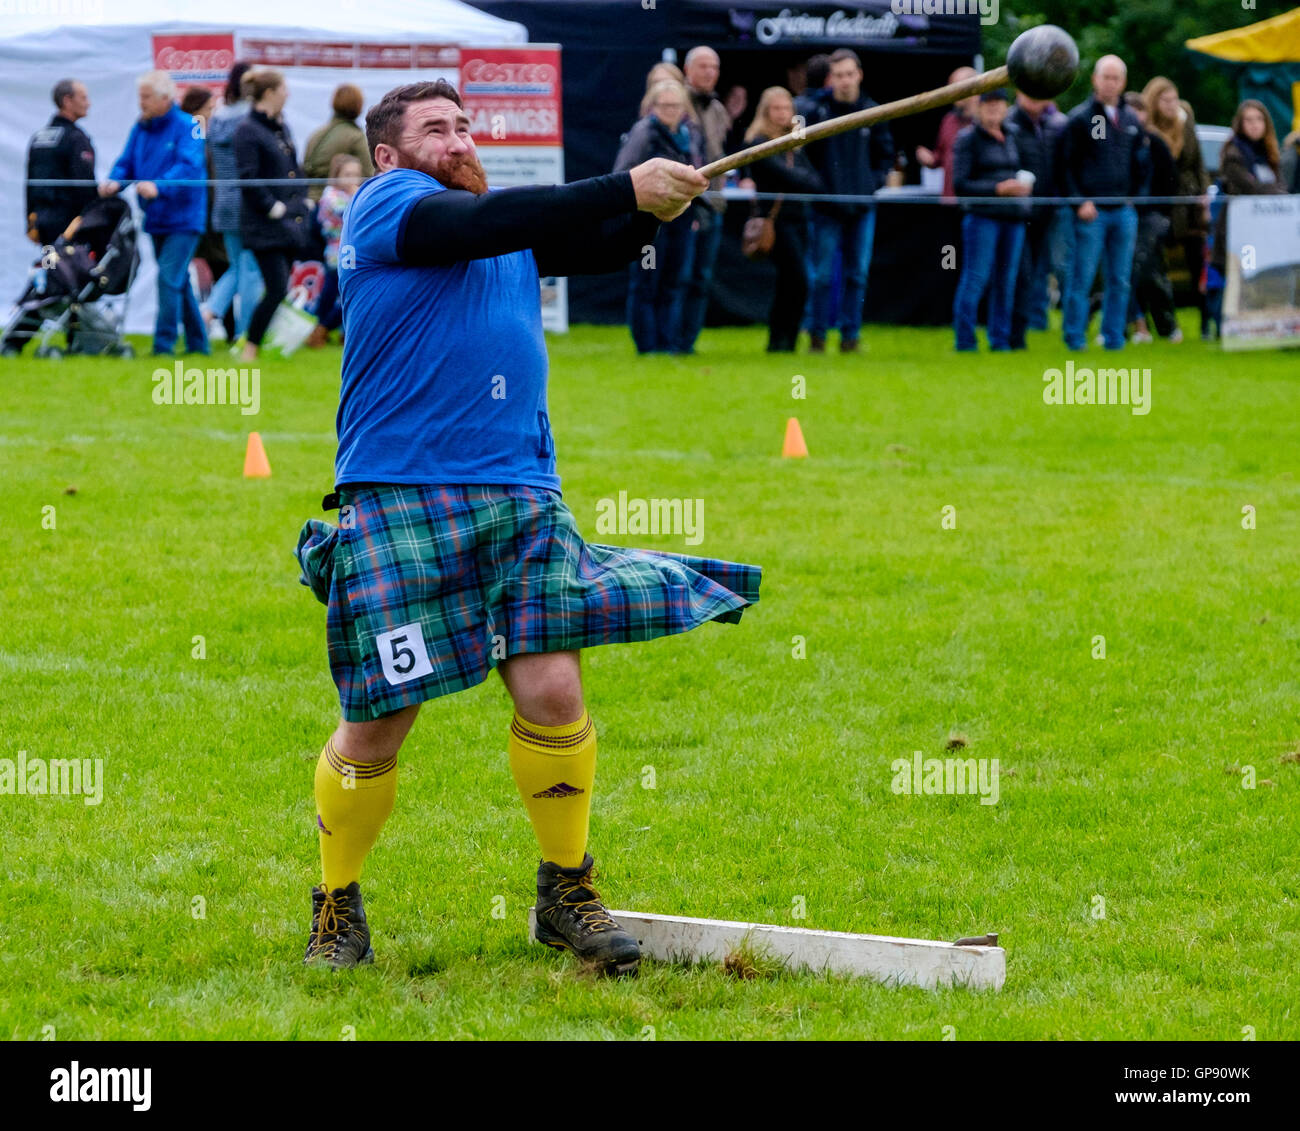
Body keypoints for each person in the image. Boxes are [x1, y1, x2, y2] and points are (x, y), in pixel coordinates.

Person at [290, 79, 761, 976]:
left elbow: (602, 241)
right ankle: (336, 900)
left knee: (552, 693)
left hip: (520, 490)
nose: (458, 135)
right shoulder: (389, 206)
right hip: (403, 492)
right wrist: (628, 186)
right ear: (387, 153)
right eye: (436, 127)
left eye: (466, 124)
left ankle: (563, 890)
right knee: (380, 720)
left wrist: (660, 206)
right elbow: (478, 226)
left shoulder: (495, 227)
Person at [101, 71, 209, 357]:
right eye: (140, 97)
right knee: (178, 281)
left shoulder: (190, 126)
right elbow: (126, 163)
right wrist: (115, 181)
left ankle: (163, 347)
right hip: (156, 218)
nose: (141, 103)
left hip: (185, 218)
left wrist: (158, 186)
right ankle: (199, 345)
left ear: (166, 98)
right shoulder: (141, 128)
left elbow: (190, 167)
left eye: (146, 97)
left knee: (168, 278)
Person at [803, 49, 894, 353]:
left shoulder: (872, 112)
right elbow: (804, 158)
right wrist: (819, 187)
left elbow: (886, 157)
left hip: (862, 207)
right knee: (822, 276)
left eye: (849, 74)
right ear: (831, 78)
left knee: (858, 274)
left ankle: (850, 337)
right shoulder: (815, 112)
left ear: (859, 74)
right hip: (825, 208)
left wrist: (871, 184)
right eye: (838, 75)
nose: (844, 81)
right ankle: (817, 336)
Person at [1059, 55, 1148, 351]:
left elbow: (1141, 164)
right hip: (1090, 212)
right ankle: (1075, 337)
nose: (1110, 83)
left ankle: (1113, 338)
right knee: (1082, 278)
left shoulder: (1132, 120)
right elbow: (1066, 167)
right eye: (1105, 77)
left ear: (1123, 83)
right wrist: (1078, 202)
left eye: (1116, 78)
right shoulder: (1080, 118)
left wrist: (1135, 198)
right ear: (1095, 79)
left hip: (1123, 210)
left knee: (1120, 280)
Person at [613, 79, 702, 354]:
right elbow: (622, 170)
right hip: (649, 219)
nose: (671, 110)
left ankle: (668, 342)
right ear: (653, 106)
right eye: (665, 105)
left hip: (682, 217)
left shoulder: (690, 134)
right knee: (647, 279)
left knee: (674, 280)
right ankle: (647, 344)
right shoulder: (644, 132)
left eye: (676, 105)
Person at [232, 70, 311, 362]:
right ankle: (250, 348)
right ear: (269, 93)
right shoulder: (247, 130)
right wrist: (270, 206)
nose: (287, 94)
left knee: (280, 287)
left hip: (291, 221)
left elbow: (293, 167)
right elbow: (247, 177)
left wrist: (303, 202)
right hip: (264, 224)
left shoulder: (281, 127)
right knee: (276, 287)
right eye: (284, 88)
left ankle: (262, 344)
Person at [742, 87, 824, 352]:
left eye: (786, 108)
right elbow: (784, 176)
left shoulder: (795, 143)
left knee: (792, 282)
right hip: (775, 221)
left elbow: (814, 181)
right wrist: (799, 179)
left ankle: (784, 341)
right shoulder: (758, 142)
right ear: (765, 111)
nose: (781, 114)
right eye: (776, 109)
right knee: (798, 279)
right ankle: (780, 339)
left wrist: (799, 179)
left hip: (799, 219)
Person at [951, 89, 1031, 351]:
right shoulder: (968, 139)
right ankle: (965, 340)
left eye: (999, 104)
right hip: (982, 217)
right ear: (978, 107)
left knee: (1006, 281)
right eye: (988, 104)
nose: (994, 109)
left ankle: (1000, 340)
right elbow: (960, 184)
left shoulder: (1012, 135)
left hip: (1013, 217)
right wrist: (997, 188)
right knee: (976, 278)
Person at [1142, 78, 1210, 338]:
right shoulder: (1146, 130)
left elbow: (1199, 165)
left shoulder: (1186, 123)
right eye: (1166, 100)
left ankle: (1206, 323)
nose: (1172, 105)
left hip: (1189, 205)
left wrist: (1203, 196)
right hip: (1158, 205)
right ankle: (1157, 323)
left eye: (1174, 99)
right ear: (1155, 101)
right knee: (1151, 266)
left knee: (1198, 264)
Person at [675, 46, 730, 355]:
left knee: (702, 277)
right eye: (703, 66)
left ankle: (687, 342)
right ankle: (668, 340)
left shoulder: (718, 109)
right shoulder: (676, 103)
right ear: (688, 70)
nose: (710, 72)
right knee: (679, 275)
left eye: (714, 67)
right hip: (685, 204)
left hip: (714, 203)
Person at [206, 62, 263, 343]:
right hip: (247, 202)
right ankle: (245, 333)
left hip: (223, 201)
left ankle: (209, 311)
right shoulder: (250, 119)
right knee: (250, 268)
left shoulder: (216, 117)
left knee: (237, 266)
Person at [1007, 90, 1067, 347]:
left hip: (1050, 206)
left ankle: (1039, 318)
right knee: (1023, 268)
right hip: (1019, 208)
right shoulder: (1009, 122)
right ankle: (1025, 319)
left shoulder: (1056, 123)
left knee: (1048, 265)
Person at [1210, 101, 1286, 286]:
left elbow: (1279, 186)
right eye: (1249, 120)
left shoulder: (1270, 154)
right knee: (1244, 282)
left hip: (1267, 229)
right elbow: (1252, 188)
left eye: (1259, 119)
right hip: (1242, 230)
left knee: (1267, 282)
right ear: (1240, 124)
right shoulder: (1233, 153)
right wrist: (1276, 191)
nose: (1255, 124)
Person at [1124, 92, 1179, 343]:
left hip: (1151, 216)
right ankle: (1134, 326)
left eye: (1140, 111)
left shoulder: (1155, 143)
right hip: (1123, 213)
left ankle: (1166, 325)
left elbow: (1170, 180)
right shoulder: (1115, 141)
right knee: (1125, 272)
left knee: (1148, 271)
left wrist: (1162, 215)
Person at [25, 79, 96, 248]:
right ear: (67, 101)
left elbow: (29, 183)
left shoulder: (39, 137)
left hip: (42, 224)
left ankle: (48, 272)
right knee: (70, 271)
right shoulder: (75, 138)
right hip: (70, 227)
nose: (88, 104)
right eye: (84, 98)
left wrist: (30, 220)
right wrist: (94, 218)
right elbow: (84, 184)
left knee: (51, 265)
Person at [306, 153, 363, 348]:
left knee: (341, 294)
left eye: (356, 174)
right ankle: (321, 329)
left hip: (354, 253)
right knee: (336, 295)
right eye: (347, 173)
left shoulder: (355, 194)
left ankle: (341, 333)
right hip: (336, 254)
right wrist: (358, 196)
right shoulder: (331, 195)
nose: (352, 178)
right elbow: (342, 213)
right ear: (336, 175)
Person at [303, 83, 374, 203]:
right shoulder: (355, 136)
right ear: (358, 106)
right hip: (337, 204)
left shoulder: (316, 134)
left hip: (309, 200)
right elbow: (368, 175)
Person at [916, 67, 977, 198]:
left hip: (974, 202)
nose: (952, 94)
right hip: (950, 200)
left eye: (956, 88)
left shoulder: (985, 122)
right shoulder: (949, 120)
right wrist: (930, 160)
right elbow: (941, 156)